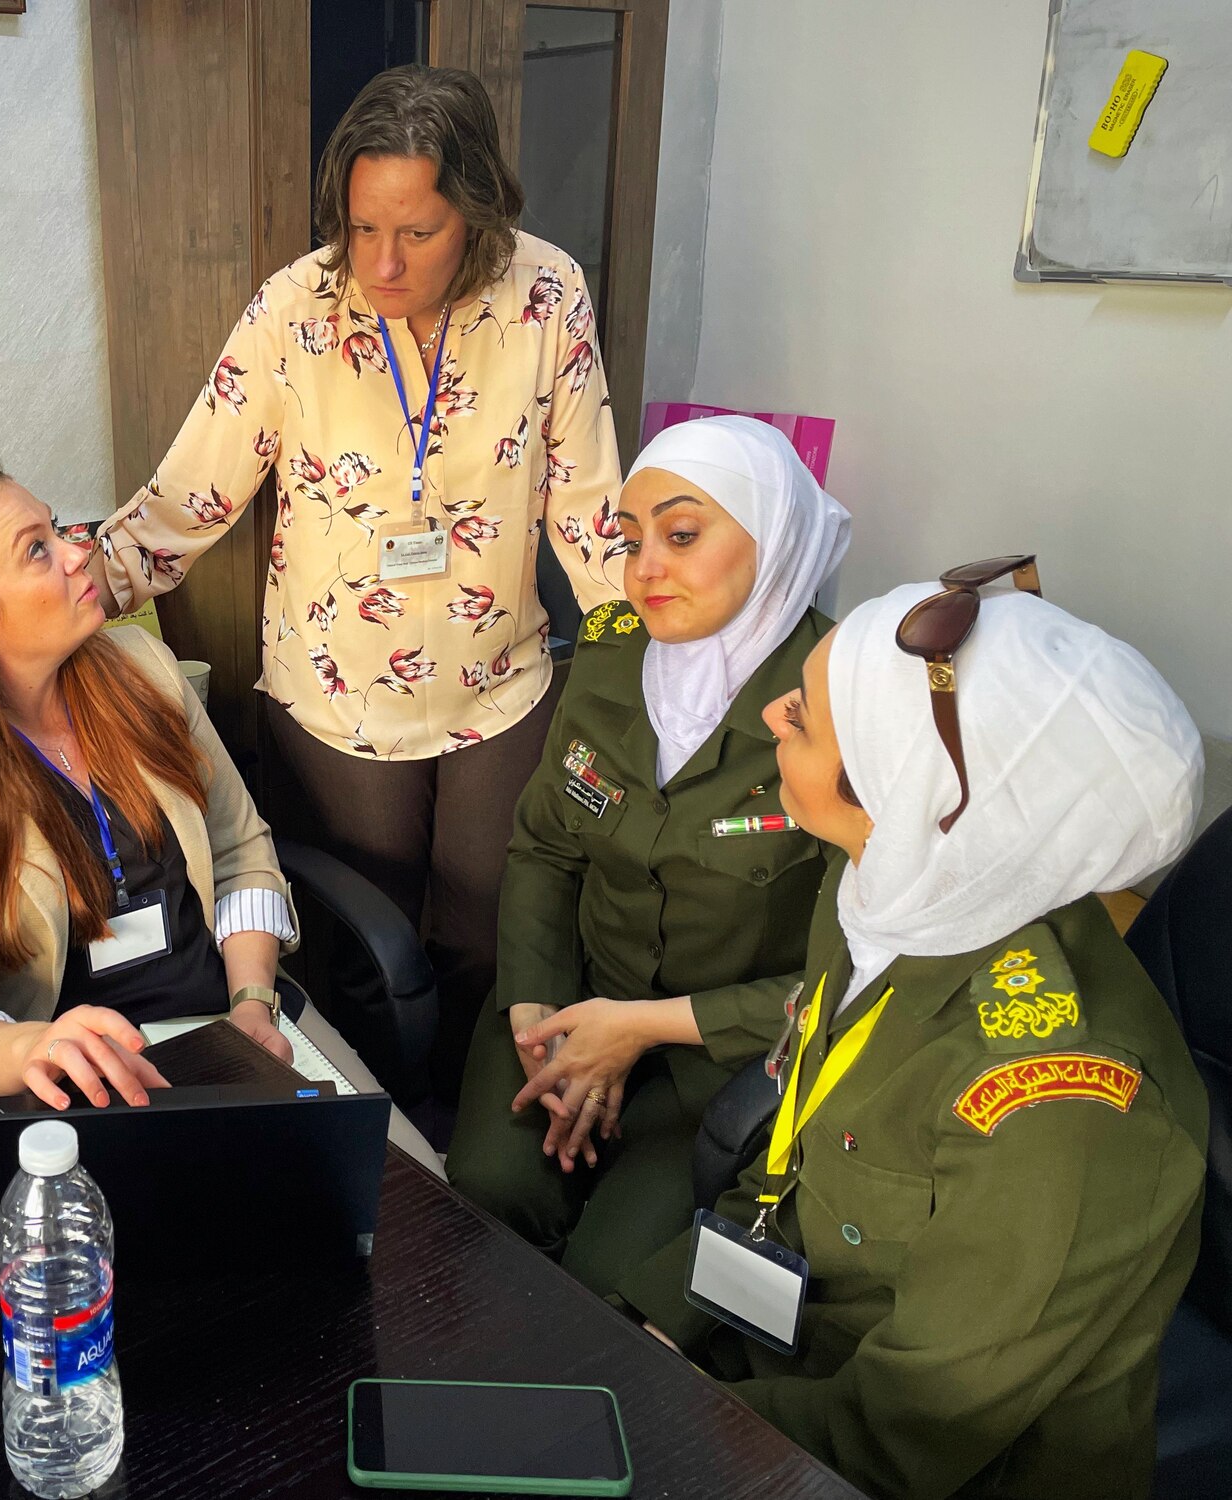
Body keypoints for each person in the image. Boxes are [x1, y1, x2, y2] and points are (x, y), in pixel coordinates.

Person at [520, 569, 1206, 1499]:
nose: (771, 719)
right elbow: (787, 1176)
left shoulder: (1059, 1105)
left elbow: (906, 1433)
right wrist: (653, 1329)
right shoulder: (890, 899)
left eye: (801, 718)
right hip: (787, 1353)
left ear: (910, 795)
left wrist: (655, 1412)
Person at [92, 64, 624, 1103]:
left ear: (473, 212)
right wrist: (68, 588)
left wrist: (653, 661)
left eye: (415, 233)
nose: (379, 262)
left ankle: (473, 1158)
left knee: (485, 947)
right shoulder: (294, 311)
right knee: (355, 956)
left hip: (498, 687)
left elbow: (587, 506)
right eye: (359, 228)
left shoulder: (545, 294)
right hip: (337, 695)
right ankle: (372, 1155)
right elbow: (188, 497)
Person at [444, 415, 848, 1294]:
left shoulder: (838, 707)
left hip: (724, 1056)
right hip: (571, 995)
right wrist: (536, 1019)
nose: (644, 570)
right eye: (630, 541)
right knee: (485, 1192)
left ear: (772, 537)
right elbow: (547, 846)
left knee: (614, 1279)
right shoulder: (614, 649)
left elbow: (847, 983)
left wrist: (636, 1034)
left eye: (683, 534)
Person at [0, 462, 299, 1111]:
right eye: (38, 548)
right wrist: (35, 1049)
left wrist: (253, 1004)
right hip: (66, 1088)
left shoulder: (146, 669)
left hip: (223, 1033)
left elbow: (239, 853)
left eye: (57, 528)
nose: (79, 550)